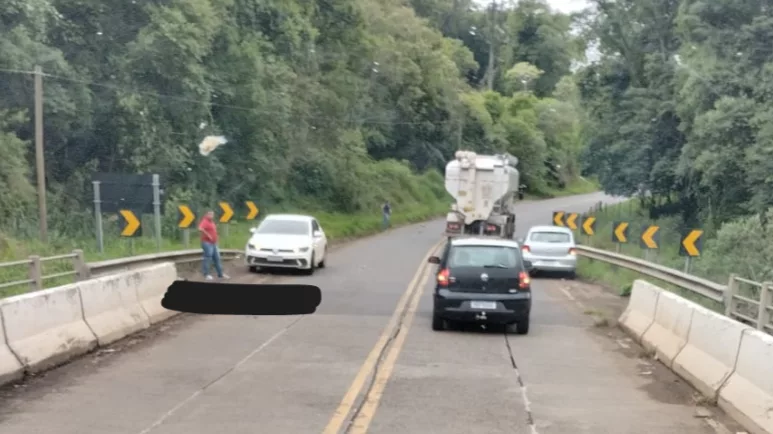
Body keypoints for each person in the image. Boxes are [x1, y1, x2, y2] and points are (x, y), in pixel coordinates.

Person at [198, 210, 230, 281]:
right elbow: (200, 228)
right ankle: (206, 274)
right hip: (207, 243)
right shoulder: (205, 221)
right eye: (210, 214)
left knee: (217, 258)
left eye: (212, 214)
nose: (212, 216)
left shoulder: (211, 222)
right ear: (206, 215)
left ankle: (220, 274)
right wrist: (208, 235)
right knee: (208, 257)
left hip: (213, 243)